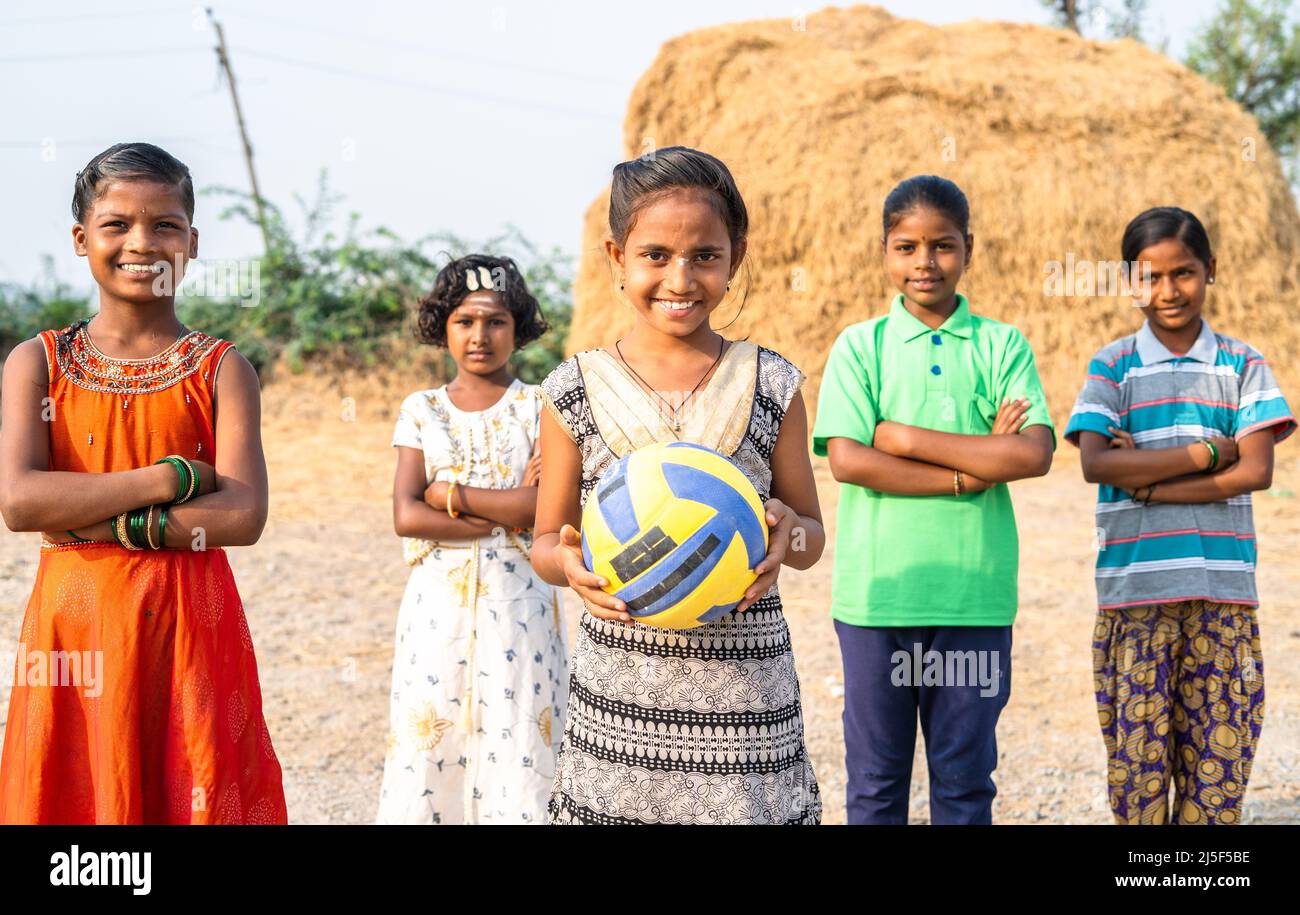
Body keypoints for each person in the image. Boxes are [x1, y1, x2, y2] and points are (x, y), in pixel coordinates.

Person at [532, 146, 825, 824]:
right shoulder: (571, 390)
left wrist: (789, 533)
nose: (680, 277)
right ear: (616, 255)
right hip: (620, 695)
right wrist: (567, 565)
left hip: (745, 698)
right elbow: (545, 540)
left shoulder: (772, 383)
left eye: (705, 256)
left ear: (737, 255)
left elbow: (809, 536)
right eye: (656, 254)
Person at [0, 142, 286, 824]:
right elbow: (20, 500)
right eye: (117, 224)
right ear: (81, 238)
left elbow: (243, 514)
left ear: (191, 240)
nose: (141, 242)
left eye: (164, 225)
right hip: (75, 633)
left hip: (189, 627)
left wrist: (93, 517)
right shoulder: (36, 363)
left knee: (189, 782)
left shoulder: (221, 369)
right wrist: (169, 477)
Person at [813, 175, 1055, 824]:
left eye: (943, 246)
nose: (925, 262)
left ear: (969, 249)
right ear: (885, 252)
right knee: (875, 783)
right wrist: (971, 469)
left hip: (972, 598)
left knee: (965, 780)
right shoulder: (861, 347)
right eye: (907, 246)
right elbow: (849, 460)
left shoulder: (1002, 345)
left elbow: (1032, 453)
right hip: (877, 601)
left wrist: (903, 437)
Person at [1065, 206, 1294, 825]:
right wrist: (1206, 453)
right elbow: (1096, 463)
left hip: (1222, 598)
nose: (1168, 291)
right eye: (1151, 276)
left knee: (1217, 779)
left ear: (1210, 271)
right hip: (1134, 599)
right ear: (1128, 281)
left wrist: (1151, 485)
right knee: (1137, 780)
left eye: (1185, 273)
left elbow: (1255, 471)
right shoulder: (1112, 366)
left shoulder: (1244, 365)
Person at [377, 254, 566, 824]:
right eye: (464, 321)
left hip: (522, 607)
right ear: (443, 326)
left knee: (522, 733)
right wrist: (507, 513)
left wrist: (451, 496)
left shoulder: (541, 408)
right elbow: (406, 516)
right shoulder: (422, 410)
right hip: (437, 609)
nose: (479, 336)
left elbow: (546, 506)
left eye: (496, 321)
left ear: (520, 327)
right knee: (431, 735)